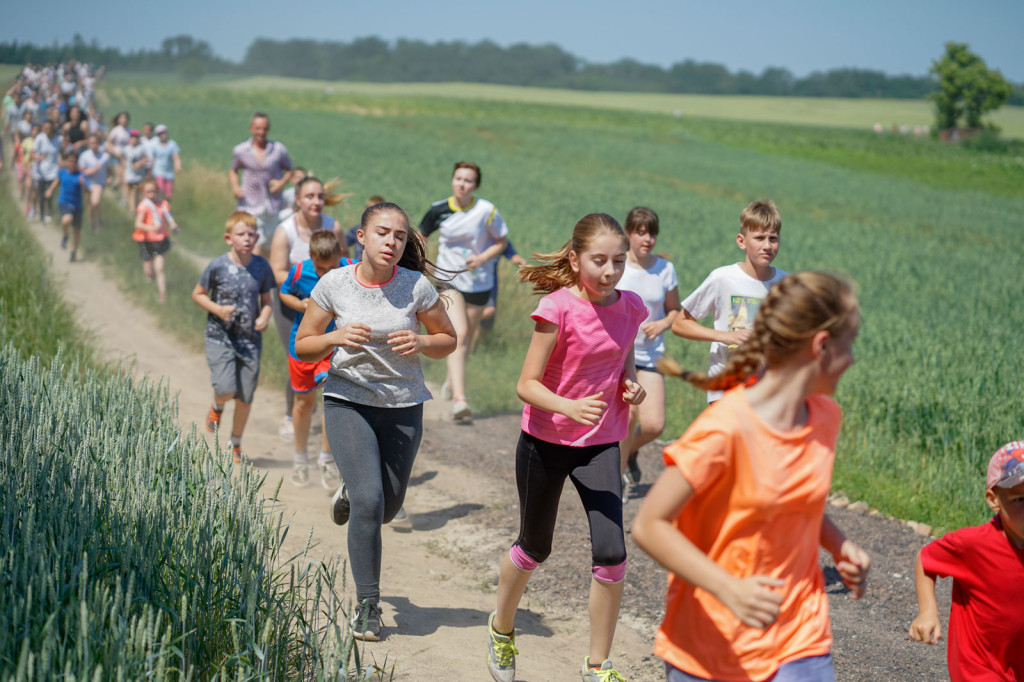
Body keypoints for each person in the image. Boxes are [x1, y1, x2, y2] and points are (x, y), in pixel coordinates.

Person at [631, 271, 871, 682]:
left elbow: (796, 501)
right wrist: (728, 588)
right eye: (850, 344)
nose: (852, 359)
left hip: (800, 635)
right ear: (821, 346)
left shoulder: (826, 417)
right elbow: (649, 525)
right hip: (709, 646)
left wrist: (839, 544)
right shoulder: (725, 428)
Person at [486, 213, 648, 682]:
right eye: (599, 261)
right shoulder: (556, 308)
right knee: (535, 547)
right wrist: (568, 406)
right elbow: (526, 384)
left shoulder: (632, 306)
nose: (610, 272)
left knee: (613, 554)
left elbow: (624, 359)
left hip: (601, 443)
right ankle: (502, 629)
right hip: (546, 441)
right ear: (576, 259)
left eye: (618, 261)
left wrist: (631, 386)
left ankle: (598, 666)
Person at [294, 202, 456, 642]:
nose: (392, 242)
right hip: (348, 401)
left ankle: (353, 488)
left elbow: (448, 340)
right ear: (361, 237)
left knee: (387, 507)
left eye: (400, 236)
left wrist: (423, 340)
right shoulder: (335, 285)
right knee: (369, 503)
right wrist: (334, 337)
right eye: (383, 233)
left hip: (403, 407)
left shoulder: (416, 287)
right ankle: (368, 605)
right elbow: (304, 345)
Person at [909, 441, 1024, 680]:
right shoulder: (975, 545)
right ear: (994, 500)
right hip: (979, 669)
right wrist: (928, 611)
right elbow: (926, 558)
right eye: (1020, 500)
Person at [671, 199, 787, 403]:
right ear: (741, 241)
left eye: (773, 238)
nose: (767, 246)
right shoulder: (722, 278)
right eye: (759, 238)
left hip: (768, 393)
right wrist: (725, 336)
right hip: (725, 391)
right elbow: (680, 324)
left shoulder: (786, 284)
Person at [420, 161, 510, 421]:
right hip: (448, 279)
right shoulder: (439, 209)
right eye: (458, 178)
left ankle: (451, 380)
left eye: (468, 180)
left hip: (479, 282)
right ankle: (460, 400)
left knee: (467, 338)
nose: (462, 184)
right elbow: (420, 237)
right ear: (452, 180)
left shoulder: (487, 211)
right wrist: (422, 263)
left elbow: (502, 242)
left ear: (476, 185)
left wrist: (482, 258)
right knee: (458, 335)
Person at [269, 176, 347, 441]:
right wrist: (308, 294)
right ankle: (292, 414)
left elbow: (344, 265)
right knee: (298, 355)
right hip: (293, 300)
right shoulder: (285, 230)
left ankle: (325, 414)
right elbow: (277, 272)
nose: (316, 202)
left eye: (319, 197)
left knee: (327, 353)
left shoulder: (333, 226)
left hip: (328, 305)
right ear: (298, 200)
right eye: (310, 197)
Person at [192, 212, 274, 463]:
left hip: (250, 340)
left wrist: (264, 317)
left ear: (257, 237)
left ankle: (235, 443)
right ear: (229, 238)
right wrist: (217, 309)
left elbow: (267, 301)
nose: (247, 239)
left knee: (246, 396)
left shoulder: (261, 266)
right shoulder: (217, 265)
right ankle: (217, 407)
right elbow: (199, 293)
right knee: (226, 388)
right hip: (220, 336)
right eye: (241, 234)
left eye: (251, 234)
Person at [278, 230, 356, 488]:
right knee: (303, 404)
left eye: (331, 267)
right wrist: (299, 305)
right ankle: (300, 459)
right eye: (320, 269)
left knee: (329, 400)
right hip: (302, 347)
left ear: (340, 256)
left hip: (334, 347)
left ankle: (327, 460)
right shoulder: (300, 271)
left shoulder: (351, 268)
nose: (326, 274)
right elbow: (285, 291)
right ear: (310, 257)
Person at [616, 207, 681, 486]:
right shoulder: (617, 265)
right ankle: (614, 480)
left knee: (654, 425)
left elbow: (675, 311)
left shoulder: (665, 269)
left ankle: (629, 453)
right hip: (619, 356)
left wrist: (662, 324)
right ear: (628, 233)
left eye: (652, 233)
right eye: (641, 232)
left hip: (651, 355)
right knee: (628, 417)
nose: (647, 239)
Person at [229, 112, 293, 255]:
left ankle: (266, 274)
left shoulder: (278, 150)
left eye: (264, 129)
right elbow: (233, 170)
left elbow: (289, 170)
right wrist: (235, 187)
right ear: (251, 128)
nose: (261, 132)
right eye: (258, 128)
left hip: (272, 205)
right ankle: (254, 275)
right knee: (255, 242)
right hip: (249, 204)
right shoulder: (240, 150)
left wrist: (281, 183)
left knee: (268, 247)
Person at [134, 180, 178, 302]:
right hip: (146, 240)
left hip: (160, 239)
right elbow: (138, 224)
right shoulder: (144, 206)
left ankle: (162, 294)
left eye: (154, 191)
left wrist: (173, 225)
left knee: (160, 268)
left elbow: (168, 216)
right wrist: (152, 228)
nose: (151, 194)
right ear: (144, 193)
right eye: (148, 192)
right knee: (149, 269)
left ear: (157, 192)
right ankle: (149, 278)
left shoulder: (162, 204)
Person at [46, 152, 86, 262]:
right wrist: (50, 190)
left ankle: (73, 252)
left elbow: (87, 190)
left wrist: (83, 184)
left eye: (74, 162)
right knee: (67, 219)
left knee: (77, 231)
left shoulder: (81, 175)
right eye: (70, 161)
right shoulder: (62, 172)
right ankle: (65, 234)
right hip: (64, 202)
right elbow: (57, 181)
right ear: (66, 162)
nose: (72, 164)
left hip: (77, 205)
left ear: (77, 163)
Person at [78, 133, 110, 230]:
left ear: (99, 143)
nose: (93, 145)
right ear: (88, 144)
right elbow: (81, 170)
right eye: (91, 143)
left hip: (99, 182)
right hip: (88, 182)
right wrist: (91, 171)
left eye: (95, 143)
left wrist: (110, 177)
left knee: (95, 202)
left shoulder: (105, 156)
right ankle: (92, 224)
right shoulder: (84, 155)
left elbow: (108, 169)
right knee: (90, 205)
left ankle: (99, 220)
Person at [32, 119, 61, 223]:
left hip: (53, 171)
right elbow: (32, 154)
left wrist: (61, 163)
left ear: (53, 128)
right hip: (41, 172)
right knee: (41, 195)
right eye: (45, 128)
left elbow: (61, 152)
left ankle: (49, 211)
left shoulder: (58, 139)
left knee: (50, 193)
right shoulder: (40, 138)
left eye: (49, 128)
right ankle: (42, 216)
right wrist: (39, 158)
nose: (47, 130)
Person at [345, 195, 386, 260]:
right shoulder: (357, 229)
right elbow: (342, 243)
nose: (366, 211)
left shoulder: (386, 234)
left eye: (372, 210)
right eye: (367, 208)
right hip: (358, 264)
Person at [121, 129, 152, 212]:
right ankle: (132, 210)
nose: (134, 140)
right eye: (132, 138)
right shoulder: (126, 149)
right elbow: (123, 159)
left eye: (136, 138)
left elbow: (146, 159)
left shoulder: (141, 148)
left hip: (139, 176)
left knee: (139, 194)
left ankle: (137, 209)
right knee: (132, 193)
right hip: (129, 176)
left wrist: (139, 164)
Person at [150, 124, 182, 198]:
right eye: (160, 134)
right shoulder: (156, 145)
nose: (162, 135)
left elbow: (176, 157)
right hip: (158, 171)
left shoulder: (172, 144)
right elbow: (153, 159)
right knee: (161, 190)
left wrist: (178, 166)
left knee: (169, 194)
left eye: (163, 133)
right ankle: (160, 207)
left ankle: (167, 207)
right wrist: (150, 170)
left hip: (169, 172)